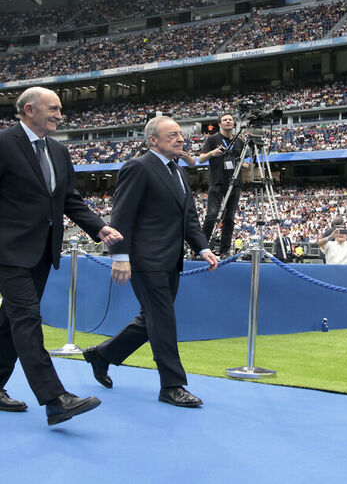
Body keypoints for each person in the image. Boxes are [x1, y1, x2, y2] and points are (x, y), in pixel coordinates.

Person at [0, 87, 123, 426]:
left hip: (42, 252)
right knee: (27, 320)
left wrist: (99, 228)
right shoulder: (4, 143)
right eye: (53, 108)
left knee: (9, 322)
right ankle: (55, 399)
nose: (59, 115)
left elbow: (69, 199)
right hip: (8, 252)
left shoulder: (57, 150)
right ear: (29, 109)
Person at [83, 117, 220, 407]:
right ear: (153, 140)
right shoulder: (138, 167)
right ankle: (172, 385)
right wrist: (120, 256)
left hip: (171, 260)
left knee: (152, 319)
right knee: (163, 318)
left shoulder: (179, 172)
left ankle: (102, 355)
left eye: (181, 135)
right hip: (144, 261)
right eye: (172, 135)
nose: (180, 139)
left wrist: (203, 248)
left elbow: (189, 219)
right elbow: (122, 215)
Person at [199, 113, 247, 256]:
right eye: (225, 120)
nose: (228, 121)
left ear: (233, 123)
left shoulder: (240, 141)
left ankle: (224, 251)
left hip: (235, 183)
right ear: (219, 124)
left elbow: (243, 161)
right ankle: (202, 248)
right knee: (212, 215)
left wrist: (247, 166)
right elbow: (201, 159)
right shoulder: (212, 139)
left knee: (229, 218)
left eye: (230, 119)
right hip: (217, 183)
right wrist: (212, 153)